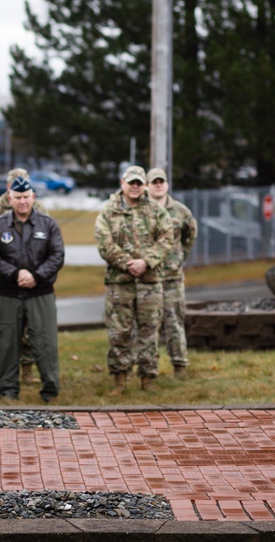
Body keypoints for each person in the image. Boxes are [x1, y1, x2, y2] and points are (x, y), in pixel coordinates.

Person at [0, 176, 65, 402]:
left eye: (26, 197)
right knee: (8, 342)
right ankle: (8, 391)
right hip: (10, 293)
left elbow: (57, 256)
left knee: (45, 342)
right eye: (17, 197)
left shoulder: (48, 225)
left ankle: (50, 390)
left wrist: (36, 276)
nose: (22, 202)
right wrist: (14, 273)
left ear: (33, 198)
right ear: (9, 198)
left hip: (41, 293)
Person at [94, 165, 174, 395]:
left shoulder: (156, 210)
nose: (136, 187)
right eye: (132, 183)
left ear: (145, 185)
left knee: (149, 332)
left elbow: (167, 239)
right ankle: (120, 379)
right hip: (120, 283)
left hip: (150, 283)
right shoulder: (109, 211)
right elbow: (104, 243)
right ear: (123, 184)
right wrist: (128, 263)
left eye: (140, 183)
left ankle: (147, 379)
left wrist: (146, 262)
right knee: (119, 332)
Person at [0, 168, 45, 385]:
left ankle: (27, 370)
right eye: (16, 187)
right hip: (2, 282)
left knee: (30, 326)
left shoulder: (39, 209)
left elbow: (49, 243)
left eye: (26, 189)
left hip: (32, 281)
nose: (22, 196)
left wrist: (37, 274)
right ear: (8, 187)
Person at [146, 167, 198, 379]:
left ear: (167, 184)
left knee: (174, 322)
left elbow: (190, 235)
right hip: (148, 278)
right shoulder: (142, 211)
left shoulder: (180, 211)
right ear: (147, 186)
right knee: (147, 326)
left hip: (172, 278)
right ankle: (148, 370)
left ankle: (180, 366)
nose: (158, 185)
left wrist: (179, 257)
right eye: (154, 182)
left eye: (162, 181)